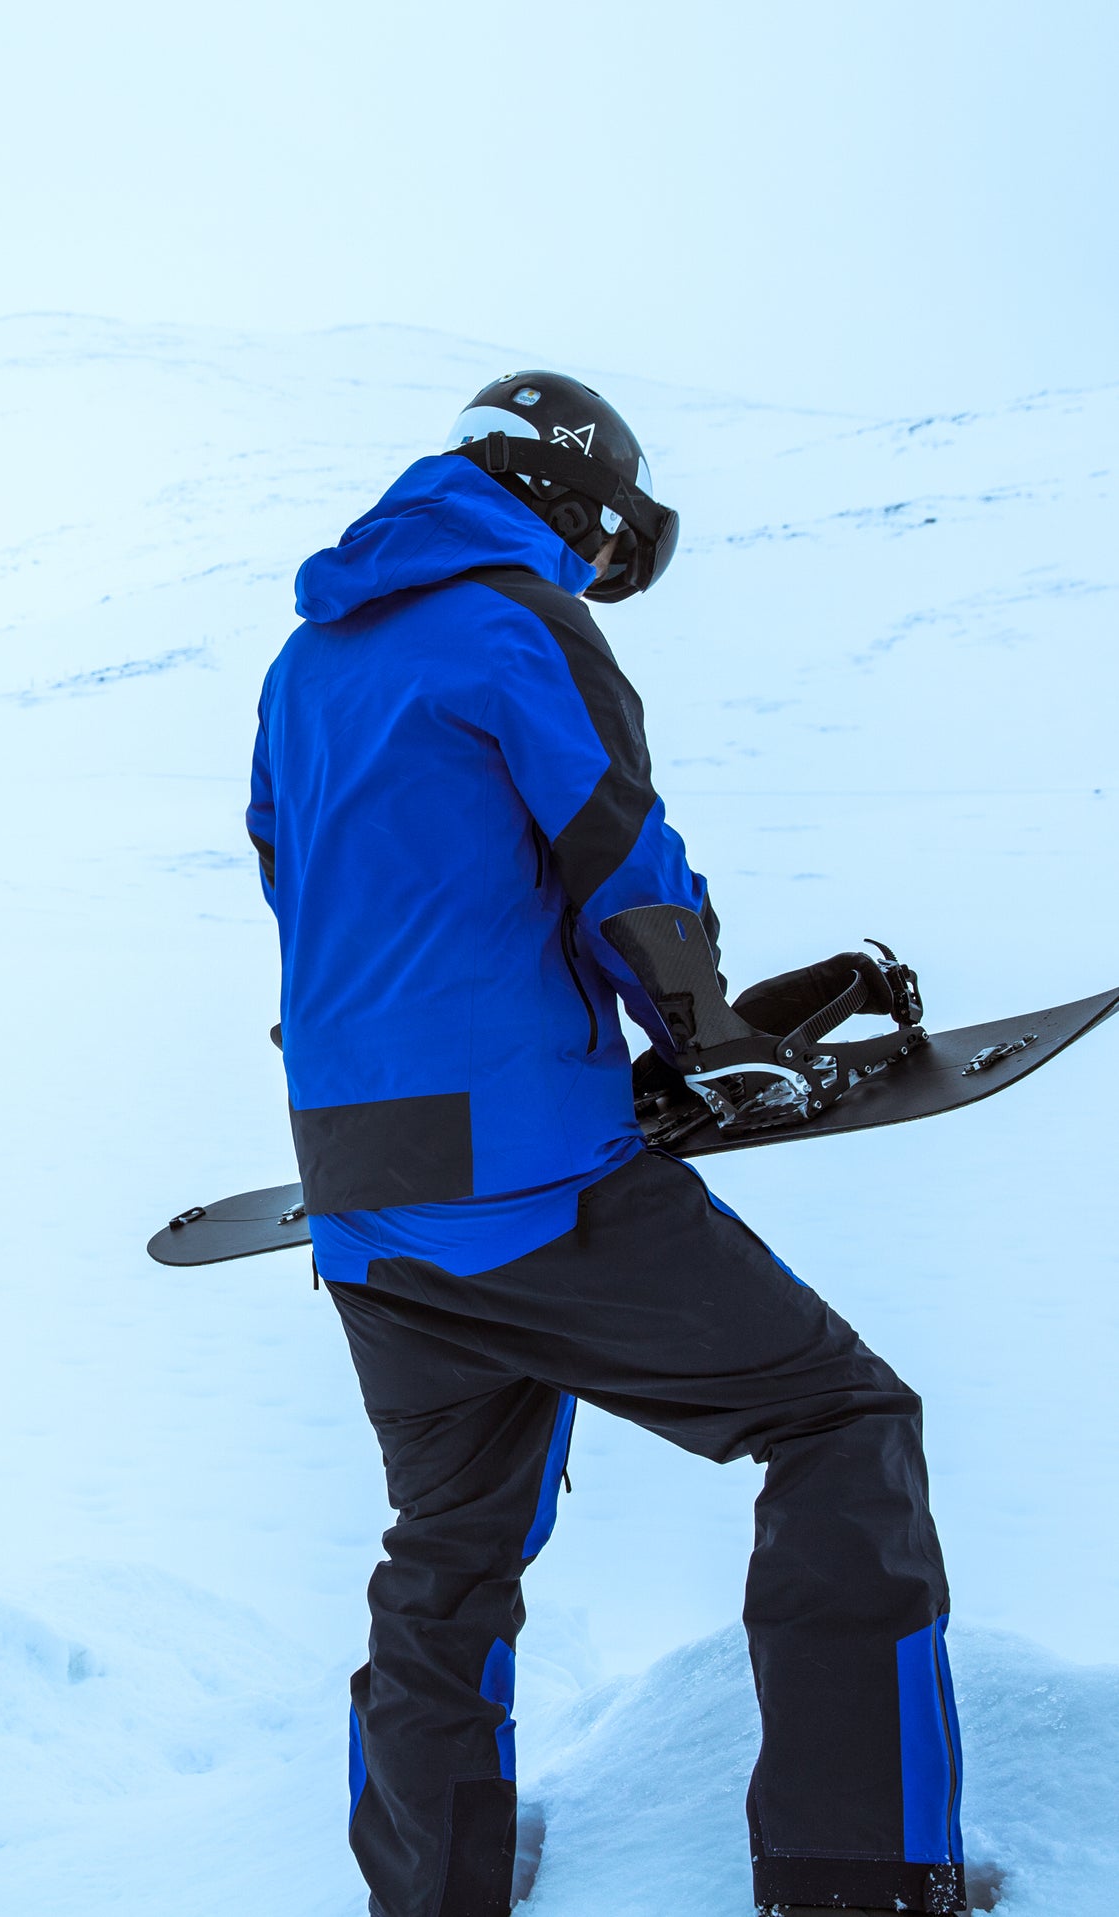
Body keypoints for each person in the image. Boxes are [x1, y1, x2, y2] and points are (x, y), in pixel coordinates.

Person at [246, 372, 966, 1917]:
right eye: (603, 542)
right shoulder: (516, 620)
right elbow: (613, 848)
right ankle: (856, 1873)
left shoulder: (305, 663)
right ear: (571, 500)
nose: (596, 572)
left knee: (447, 1543)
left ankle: (432, 1888)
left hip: (358, 1192)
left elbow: (298, 877)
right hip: (531, 1181)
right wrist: (701, 1032)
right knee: (840, 1422)